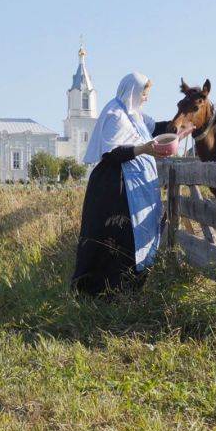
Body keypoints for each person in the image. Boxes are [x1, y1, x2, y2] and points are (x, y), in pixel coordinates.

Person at [71, 73, 183, 296]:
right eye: (144, 94)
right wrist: (144, 149)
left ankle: (126, 288)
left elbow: (158, 129)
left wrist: (182, 123)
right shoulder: (115, 115)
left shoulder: (135, 117)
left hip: (130, 187)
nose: (146, 98)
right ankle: (99, 291)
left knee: (130, 237)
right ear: (133, 92)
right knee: (115, 235)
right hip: (114, 188)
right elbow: (112, 153)